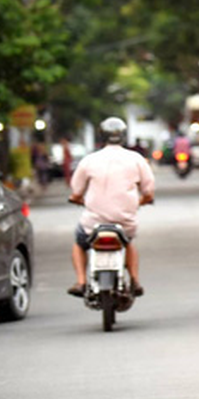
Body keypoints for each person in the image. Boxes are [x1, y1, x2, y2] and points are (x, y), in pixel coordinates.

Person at [67, 116, 155, 298]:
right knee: (128, 241)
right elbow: (148, 191)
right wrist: (141, 201)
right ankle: (135, 280)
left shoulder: (89, 160)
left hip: (93, 223)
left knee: (79, 242)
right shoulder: (136, 159)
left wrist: (77, 199)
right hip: (125, 221)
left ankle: (81, 281)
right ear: (123, 136)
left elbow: (76, 191)